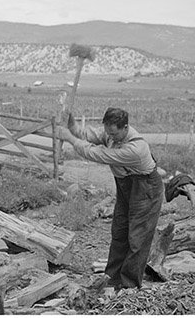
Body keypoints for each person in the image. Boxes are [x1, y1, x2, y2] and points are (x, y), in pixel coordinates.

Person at [57, 107, 164, 291]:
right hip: (126, 186)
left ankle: (129, 286)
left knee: (137, 237)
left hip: (145, 188)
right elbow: (88, 134)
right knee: (120, 230)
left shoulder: (135, 149)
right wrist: (71, 124)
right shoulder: (111, 133)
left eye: (114, 133)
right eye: (107, 132)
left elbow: (97, 153)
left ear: (125, 127)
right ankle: (112, 279)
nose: (110, 137)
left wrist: (69, 138)